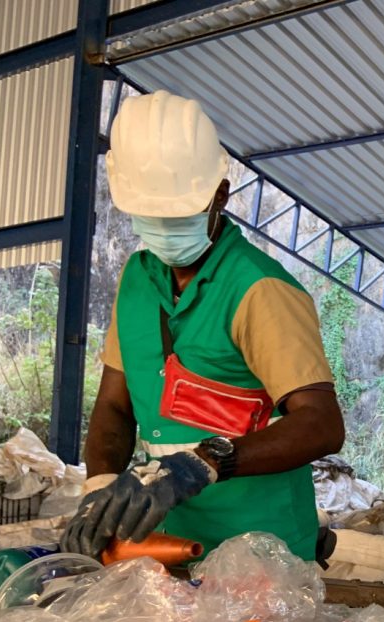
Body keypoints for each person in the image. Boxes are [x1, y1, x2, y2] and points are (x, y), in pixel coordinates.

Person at [62, 90, 344, 561]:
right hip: (169, 540)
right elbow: (114, 404)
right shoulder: (135, 280)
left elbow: (321, 425)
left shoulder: (260, 290)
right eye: (151, 215)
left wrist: (204, 463)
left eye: (180, 214)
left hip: (261, 550)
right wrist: (102, 485)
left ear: (219, 196)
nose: (164, 228)